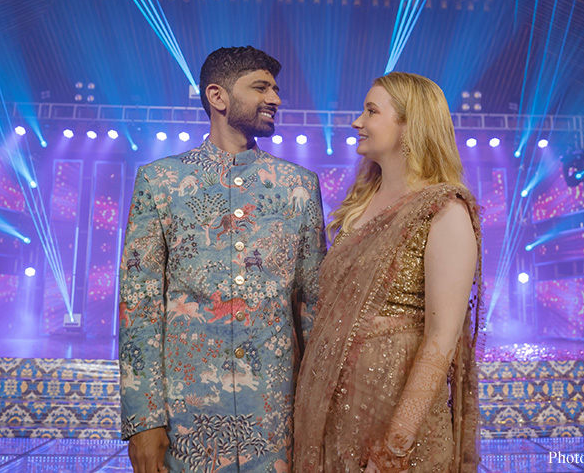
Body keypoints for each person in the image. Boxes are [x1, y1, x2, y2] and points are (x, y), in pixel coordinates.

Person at [118, 46, 326, 473]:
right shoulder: (161, 182)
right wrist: (143, 421)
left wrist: (316, 414)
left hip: (276, 423)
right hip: (183, 425)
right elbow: (137, 310)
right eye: (261, 87)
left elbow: (313, 310)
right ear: (218, 96)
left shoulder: (298, 187)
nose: (276, 99)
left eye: (276, 88)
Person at [294, 72, 483, 473]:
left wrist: (397, 442)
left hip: (393, 417)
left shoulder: (445, 210)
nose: (356, 121)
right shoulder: (358, 208)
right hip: (332, 416)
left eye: (371, 111)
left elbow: (441, 338)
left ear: (409, 124)